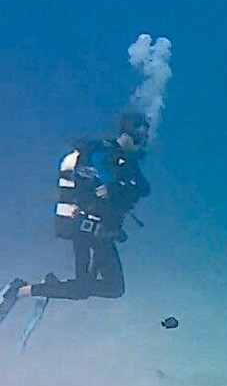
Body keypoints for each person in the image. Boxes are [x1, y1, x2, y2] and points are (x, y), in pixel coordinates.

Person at [0, 112, 151, 317]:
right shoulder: (100, 154)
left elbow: (143, 188)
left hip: (105, 232)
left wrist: (119, 189)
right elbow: (96, 187)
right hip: (85, 228)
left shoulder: (126, 162)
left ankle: (48, 286)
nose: (145, 142)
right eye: (142, 137)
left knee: (114, 288)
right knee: (82, 288)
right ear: (130, 134)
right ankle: (18, 291)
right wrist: (114, 188)